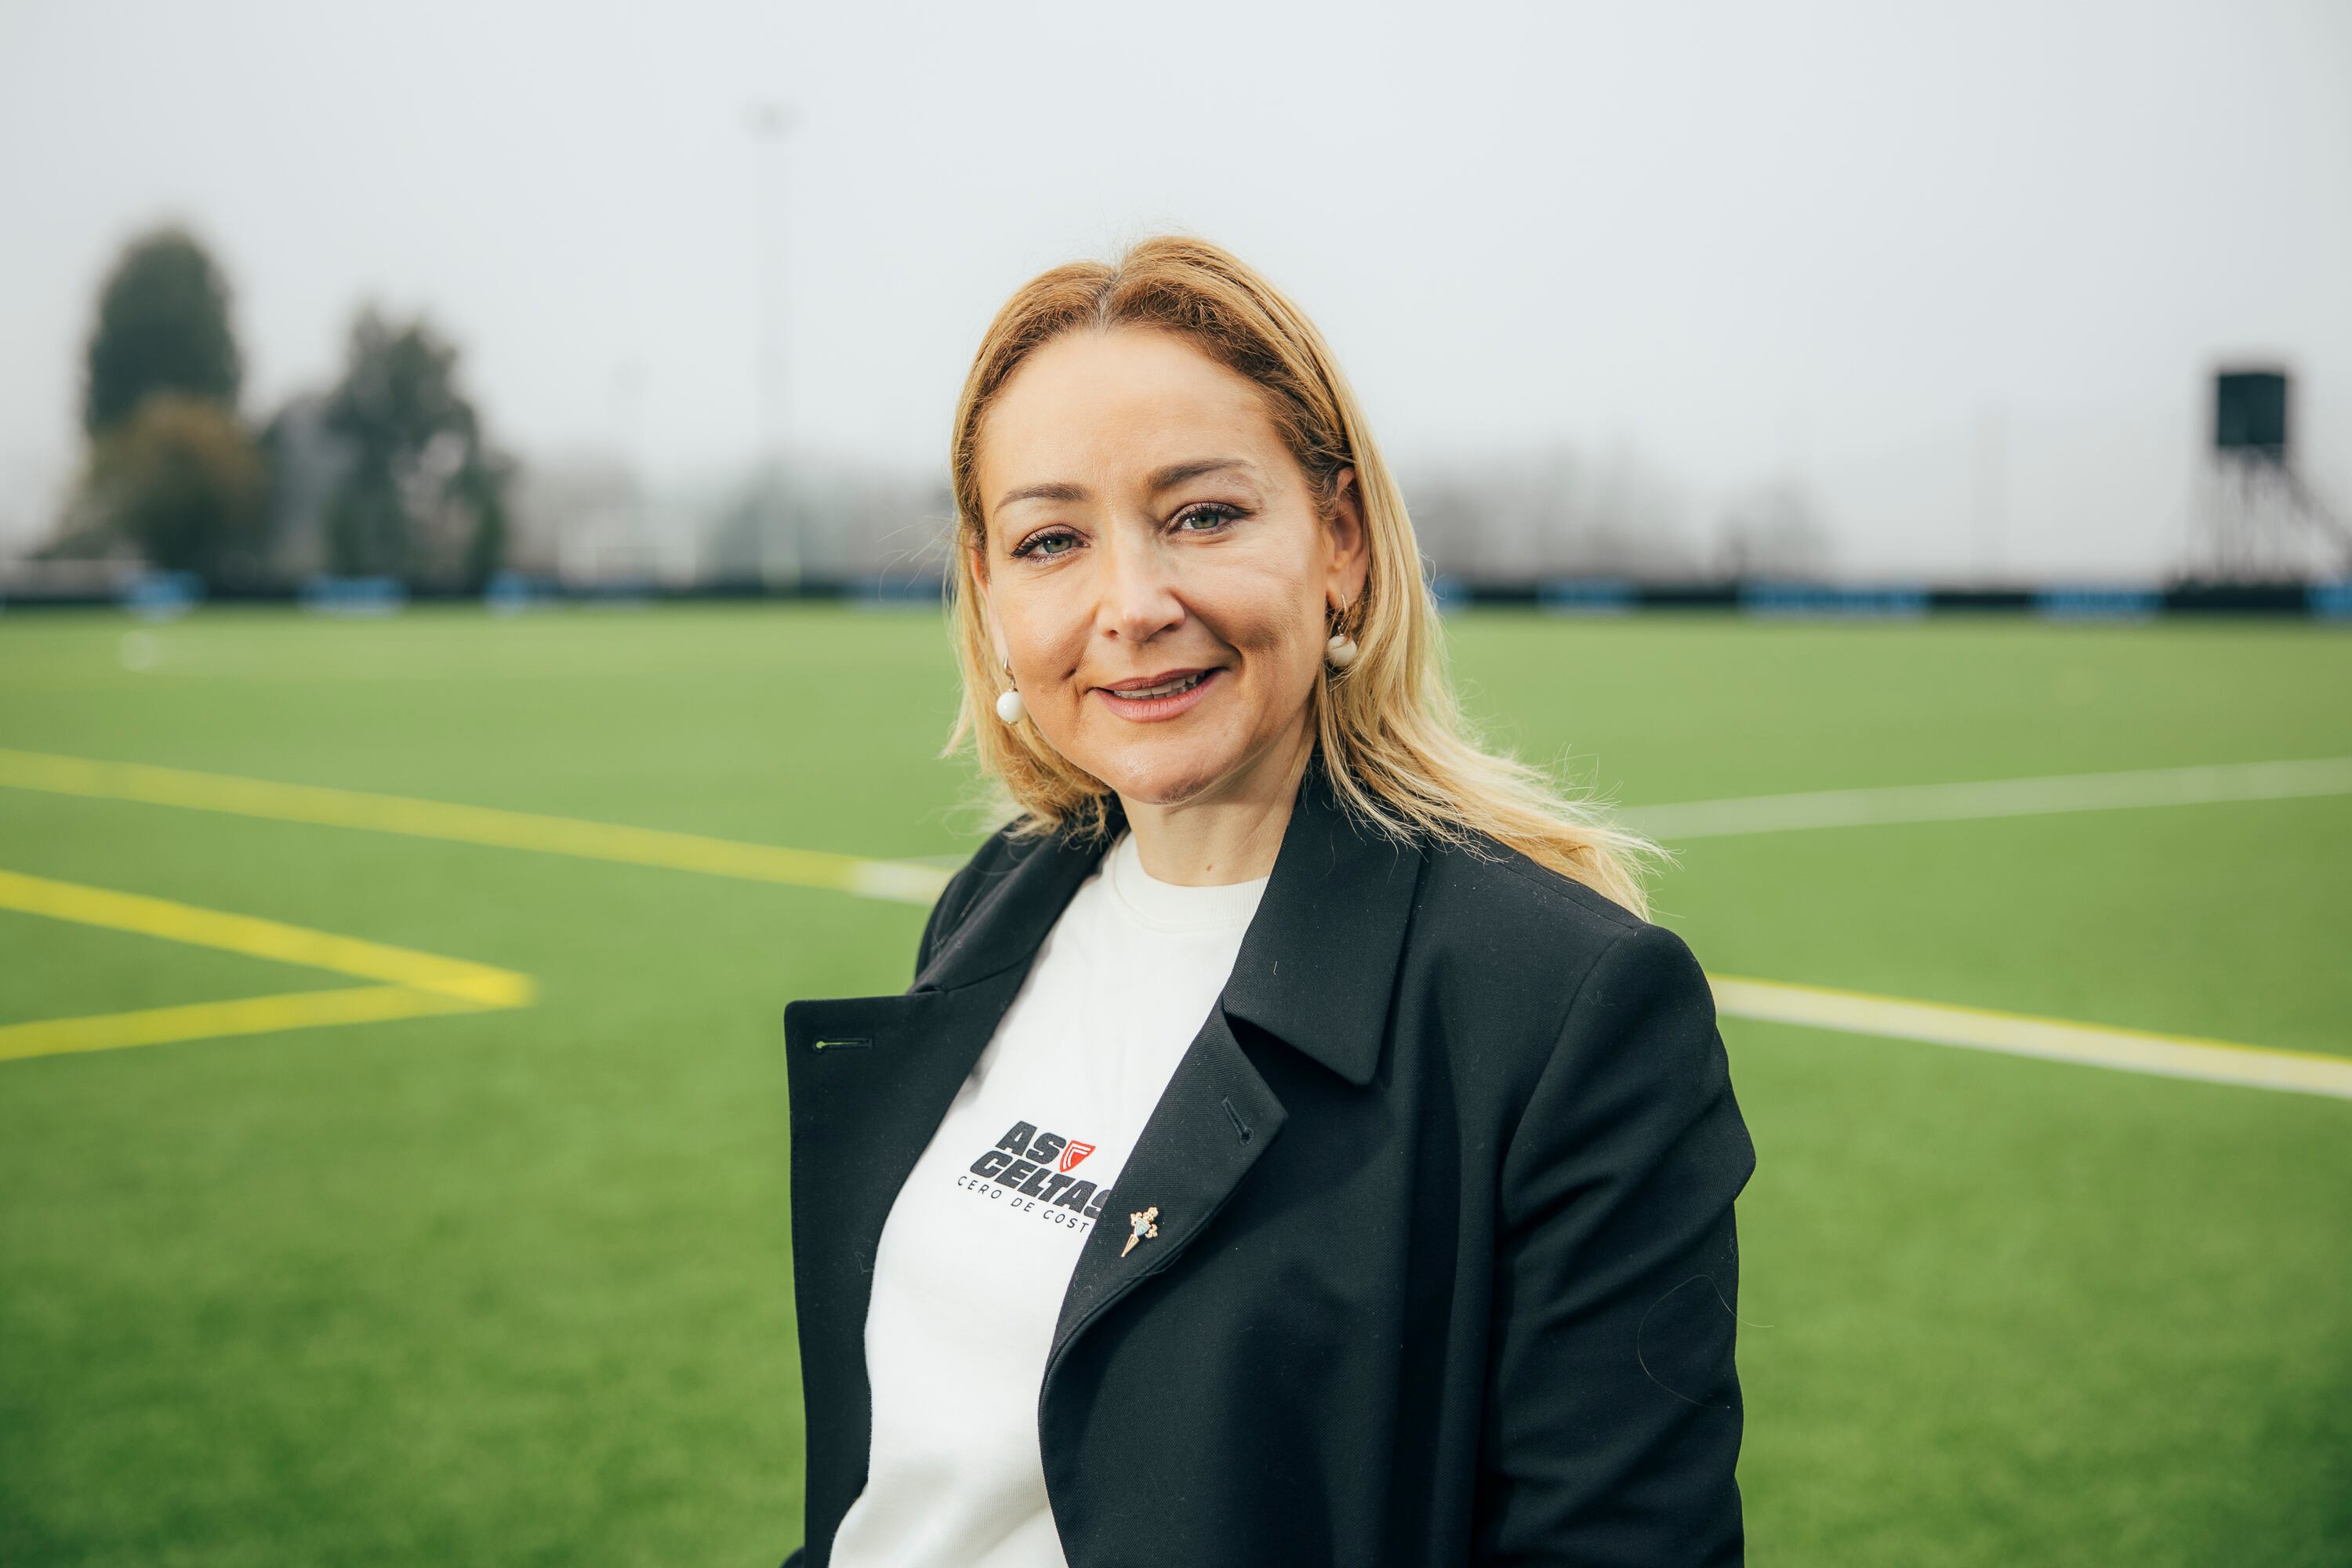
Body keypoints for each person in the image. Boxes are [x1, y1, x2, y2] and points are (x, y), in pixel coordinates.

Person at [781, 234, 1756, 1567]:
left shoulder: (1563, 1008)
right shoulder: (994, 907)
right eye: (1053, 539)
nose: (1133, 604)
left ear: (1339, 542)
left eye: (1202, 516)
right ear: (990, 589)